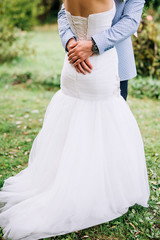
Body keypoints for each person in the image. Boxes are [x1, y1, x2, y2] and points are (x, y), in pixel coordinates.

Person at [0, 0, 150, 239]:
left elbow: (130, 21)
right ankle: (88, 190)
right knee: (89, 124)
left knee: (106, 130)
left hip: (112, 57)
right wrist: (71, 43)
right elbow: (63, 14)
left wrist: (92, 45)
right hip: (87, 65)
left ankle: (102, 183)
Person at [58, 0, 146, 101]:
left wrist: (94, 44)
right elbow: (63, 13)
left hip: (116, 64)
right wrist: (69, 41)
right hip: (76, 57)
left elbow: (131, 21)